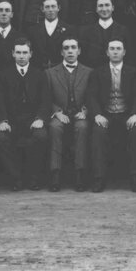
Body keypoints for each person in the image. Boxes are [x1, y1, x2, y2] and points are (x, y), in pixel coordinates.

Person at [87, 39, 136, 192]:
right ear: (107, 52)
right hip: (106, 114)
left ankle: (135, 176)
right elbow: (91, 96)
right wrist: (97, 115)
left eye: (118, 49)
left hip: (126, 114)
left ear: (124, 52)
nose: (115, 51)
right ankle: (99, 178)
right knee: (98, 133)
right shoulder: (98, 72)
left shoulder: (133, 71)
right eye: (112, 49)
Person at [0, 38, 50, 191]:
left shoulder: (39, 74)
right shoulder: (3, 74)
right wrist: (2, 120)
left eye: (25, 52)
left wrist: (40, 119)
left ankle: (32, 177)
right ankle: (16, 177)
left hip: (32, 120)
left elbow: (46, 100)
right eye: (18, 52)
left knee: (41, 136)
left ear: (31, 54)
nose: (21, 56)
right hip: (11, 121)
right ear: (13, 54)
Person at [44, 38, 93, 191]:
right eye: (66, 48)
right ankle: (55, 173)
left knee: (82, 128)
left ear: (79, 51)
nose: (70, 51)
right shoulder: (50, 73)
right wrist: (57, 112)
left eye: (73, 48)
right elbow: (46, 98)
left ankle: (80, 173)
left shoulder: (89, 72)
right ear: (61, 52)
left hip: (80, 113)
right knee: (54, 128)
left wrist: (85, 111)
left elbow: (93, 96)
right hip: (60, 113)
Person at [79, 0, 132, 68]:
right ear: (96, 9)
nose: (104, 9)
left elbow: (129, 57)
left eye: (107, 5)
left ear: (113, 8)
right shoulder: (86, 32)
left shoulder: (123, 30)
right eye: (100, 6)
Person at [27, 0, 77, 69]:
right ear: (42, 9)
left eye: (53, 6)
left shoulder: (69, 29)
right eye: (47, 7)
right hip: (39, 71)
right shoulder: (33, 30)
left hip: (60, 71)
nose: (50, 10)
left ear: (58, 8)